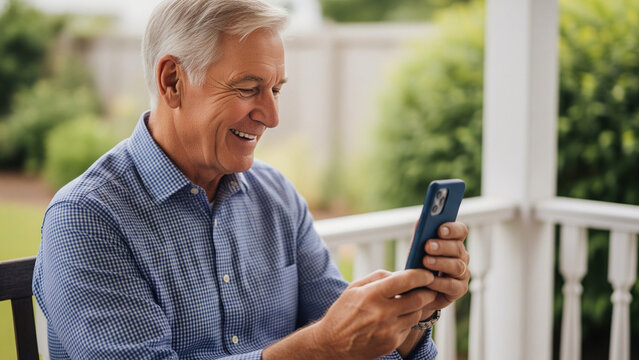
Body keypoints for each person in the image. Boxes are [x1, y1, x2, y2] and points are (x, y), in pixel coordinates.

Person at [32, 0, 471, 359]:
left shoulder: (275, 194)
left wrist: (412, 315)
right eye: (248, 88)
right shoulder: (87, 219)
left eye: (276, 89)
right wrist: (319, 347)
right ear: (172, 82)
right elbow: (330, 343)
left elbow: (350, 339)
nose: (272, 116)